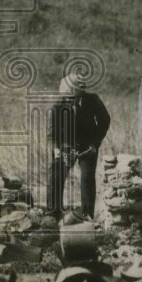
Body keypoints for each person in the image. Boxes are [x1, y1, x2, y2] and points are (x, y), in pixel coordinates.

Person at [47, 71, 111, 219]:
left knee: (87, 178)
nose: (70, 98)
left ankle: (87, 214)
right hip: (64, 144)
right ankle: (53, 214)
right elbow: (51, 134)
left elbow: (105, 120)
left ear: (80, 92)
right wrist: (56, 149)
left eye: (74, 95)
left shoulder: (93, 100)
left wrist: (95, 143)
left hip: (87, 144)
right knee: (56, 174)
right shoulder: (55, 107)